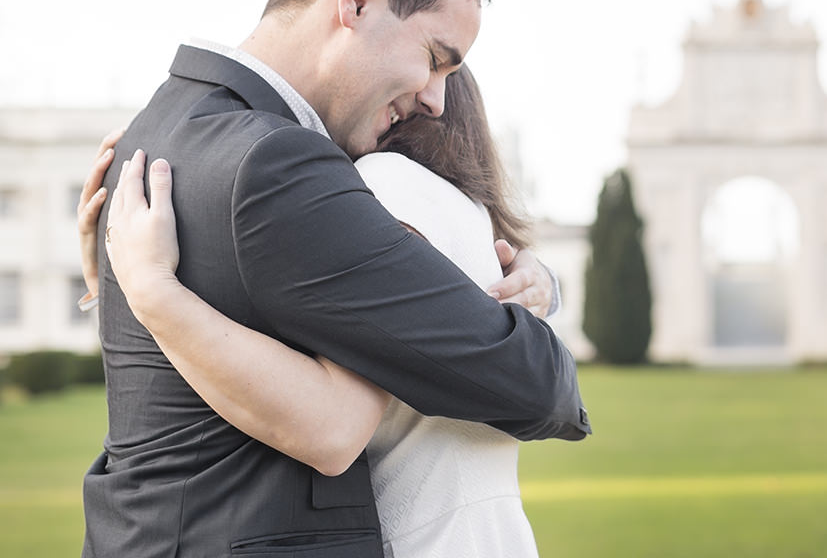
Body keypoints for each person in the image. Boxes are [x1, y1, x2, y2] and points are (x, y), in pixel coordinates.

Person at [79, 0, 590, 558]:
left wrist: (542, 278)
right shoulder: (278, 163)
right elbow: (528, 382)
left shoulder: (156, 130)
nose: (437, 100)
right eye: (436, 57)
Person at [80, 65, 548, 557]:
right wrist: (107, 281)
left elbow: (333, 424)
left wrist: (144, 288)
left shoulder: (384, 183)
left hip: (421, 536)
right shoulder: (470, 212)